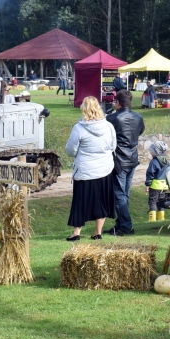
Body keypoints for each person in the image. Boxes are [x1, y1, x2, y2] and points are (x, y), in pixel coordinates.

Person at [64, 96, 116, 241]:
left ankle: (76, 233)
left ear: (83, 109)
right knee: (101, 200)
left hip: (85, 170)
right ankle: (97, 232)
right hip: (105, 169)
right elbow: (113, 146)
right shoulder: (108, 126)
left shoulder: (79, 128)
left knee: (81, 201)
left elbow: (70, 150)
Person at [106, 89, 144, 236]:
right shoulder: (138, 117)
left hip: (119, 160)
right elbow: (139, 132)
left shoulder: (112, 118)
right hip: (132, 158)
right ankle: (120, 224)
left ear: (118, 102)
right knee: (124, 194)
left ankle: (126, 225)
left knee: (119, 194)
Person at [144, 140, 170, 222]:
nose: (150, 152)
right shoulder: (167, 161)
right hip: (164, 186)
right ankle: (161, 219)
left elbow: (150, 173)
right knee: (161, 202)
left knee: (152, 202)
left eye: (151, 150)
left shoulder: (154, 162)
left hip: (155, 186)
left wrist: (148, 185)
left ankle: (152, 220)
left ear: (156, 151)